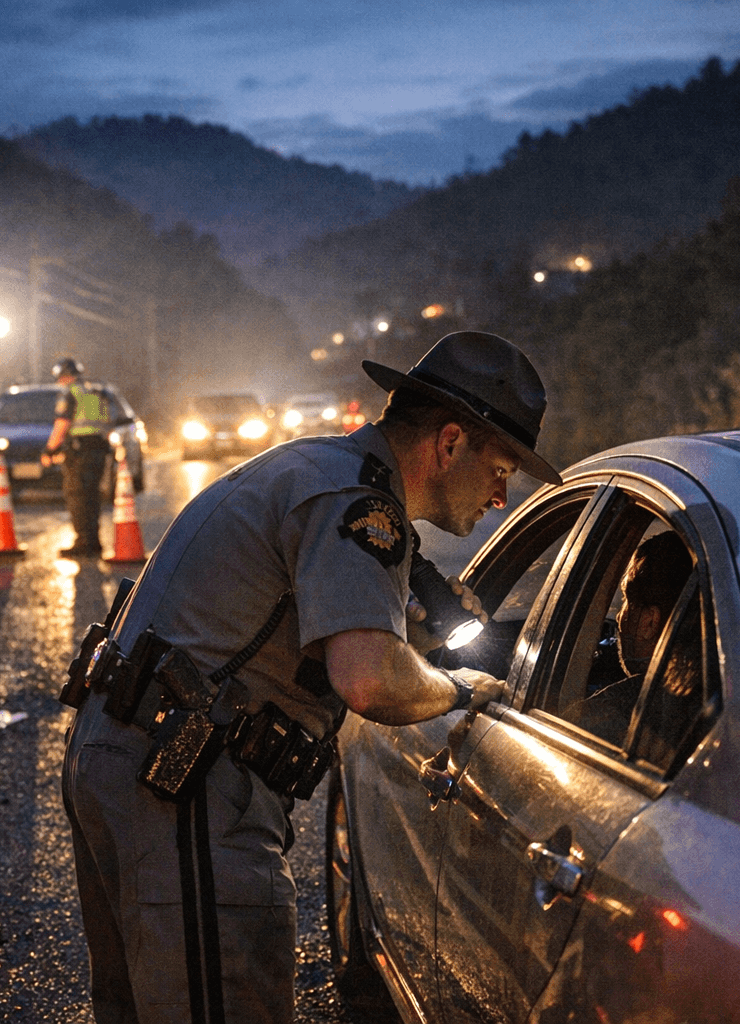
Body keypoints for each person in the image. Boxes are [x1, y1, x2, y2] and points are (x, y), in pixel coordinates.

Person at [61, 331, 565, 1024]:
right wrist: (460, 691)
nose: (502, 498)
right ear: (451, 444)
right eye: (502, 469)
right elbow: (368, 679)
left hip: (127, 750)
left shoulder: (322, 469)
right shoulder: (359, 505)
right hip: (184, 782)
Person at [562, 530, 694, 746]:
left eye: (625, 600)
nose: (618, 616)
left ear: (649, 622)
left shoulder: (608, 714)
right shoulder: (724, 702)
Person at [42, 356, 113, 557]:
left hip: (80, 452)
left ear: (63, 376)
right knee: (91, 496)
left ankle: (83, 541)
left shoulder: (69, 393)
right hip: (98, 449)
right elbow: (106, 421)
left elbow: (62, 424)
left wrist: (49, 450)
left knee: (77, 495)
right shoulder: (94, 392)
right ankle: (93, 540)